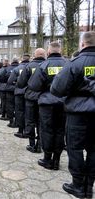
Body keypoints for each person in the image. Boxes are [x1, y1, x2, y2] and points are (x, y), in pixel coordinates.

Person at [51, 31, 95, 198]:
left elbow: (57, 88)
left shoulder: (75, 63)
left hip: (78, 113)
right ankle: (89, 186)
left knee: (75, 148)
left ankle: (78, 185)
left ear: (83, 44)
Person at [28, 41, 66, 170]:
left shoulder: (44, 65)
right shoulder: (68, 64)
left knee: (47, 130)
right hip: (64, 103)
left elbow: (33, 85)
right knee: (60, 131)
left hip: (47, 103)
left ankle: (47, 159)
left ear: (48, 52)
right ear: (60, 51)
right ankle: (57, 160)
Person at [17, 48, 46, 149]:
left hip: (31, 97)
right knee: (41, 122)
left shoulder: (29, 66)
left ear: (35, 55)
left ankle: (32, 143)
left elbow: (20, 83)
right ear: (44, 55)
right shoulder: (47, 65)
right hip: (45, 97)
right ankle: (40, 144)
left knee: (30, 120)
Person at [9, 54, 30, 138]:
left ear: (21, 59)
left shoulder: (17, 68)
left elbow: (10, 81)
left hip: (19, 93)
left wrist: (17, 83)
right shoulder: (34, 67)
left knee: (20, 112)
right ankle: (29, 132)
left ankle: (21, 131)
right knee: (29, 113)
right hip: (29, 93)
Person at [5, 58, 19, 127]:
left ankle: (11, 121)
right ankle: (17, 122)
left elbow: (4, 77)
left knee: (10, 105)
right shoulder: (22, 68)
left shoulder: (8, 68)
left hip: (10, 89)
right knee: (18, 106)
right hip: (19, 89)